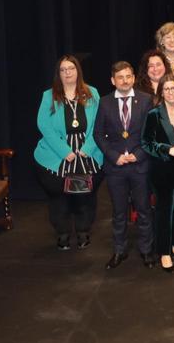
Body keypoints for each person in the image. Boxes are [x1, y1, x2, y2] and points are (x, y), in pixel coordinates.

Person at [33, 55, 103, 251]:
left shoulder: (92, 93)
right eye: (63, 70)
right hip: (58, 156)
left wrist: (87, 149)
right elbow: (44, 125)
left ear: (77, 71)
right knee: (60, 197)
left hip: (84, 155)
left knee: (82, 197)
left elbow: (99, 123)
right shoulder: (49, 96)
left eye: (71, 68)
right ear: (58, 74)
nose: (67, 73)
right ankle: (62, 233)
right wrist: (65, 151)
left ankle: (82, 231)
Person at [93, 60, 155, 270]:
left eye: (128, 76)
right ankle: (119, 250)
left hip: (139, 165)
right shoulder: (105, 102)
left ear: (134, 78)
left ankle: (146, 250)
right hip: (116, 167)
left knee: (144, 210)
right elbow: (98, 134)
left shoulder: (146, 100)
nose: (125, 80)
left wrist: (138, 154)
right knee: (119, 212)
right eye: (120, 77)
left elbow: (151, 131)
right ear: (113, 81)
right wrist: (114, 156)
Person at [141, 75, 174, 272]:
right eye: (167, 89)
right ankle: (164, 251)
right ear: (161, 93)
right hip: (162, 169)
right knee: (164, 209)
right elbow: (146, 143)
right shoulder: (154, 114)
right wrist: (166, 149)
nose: (171, 92)